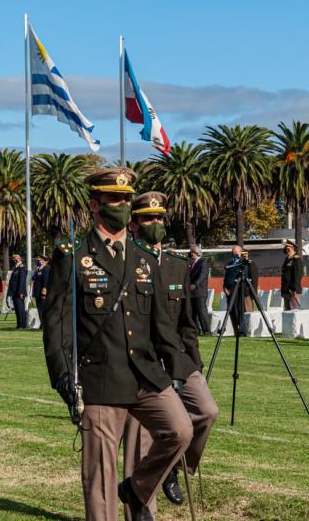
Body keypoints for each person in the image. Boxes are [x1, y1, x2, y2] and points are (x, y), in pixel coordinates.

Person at [43, 167, 192, 521]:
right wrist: (63, 374)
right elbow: (57, 322)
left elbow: (160, 322)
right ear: (95, 205)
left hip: (144, 373)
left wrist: (179, 368)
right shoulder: (74, 254)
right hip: (100, 376)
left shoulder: (143, 256)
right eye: (115, 198)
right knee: (101, 474)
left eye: (127, 198)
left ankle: (137, 488)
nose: (123, 204)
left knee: (180, 430)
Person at [122, 192, 218, 518]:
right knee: (141, 442)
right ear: (133, 224)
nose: (157, 223)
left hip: (177, 357)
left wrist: (194, 363)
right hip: (142, 361)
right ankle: (140, 508)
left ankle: (174, 466)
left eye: (160, 218)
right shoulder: (126, 260)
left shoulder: (178, 265)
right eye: (149, 218)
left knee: (206, 411)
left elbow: (187, 323)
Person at [223, 246, 246, 336]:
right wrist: (224, 287)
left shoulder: (242, 263)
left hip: (237, 290)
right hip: (228, 291)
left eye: (235, 252)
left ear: (240, 252)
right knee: (231, 311)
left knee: (238, 310)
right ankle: (236, 331)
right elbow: (226, 277)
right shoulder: (230, 263)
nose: (234, 253)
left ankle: (242, 331)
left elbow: (242, 277)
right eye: (233, 252)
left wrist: (233, 288)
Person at [188, 245, 210, 335]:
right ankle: (196, 330)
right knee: (192, 312)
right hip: (192, 292)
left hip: (199, 292)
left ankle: (207, 331)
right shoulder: (193, 263)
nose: (190, 254)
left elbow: (203, 275)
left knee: (202, 312)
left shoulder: (203, 262)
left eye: (191, 252)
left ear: (195, 253)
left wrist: (195, 284)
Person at [7, 253, 28, 329]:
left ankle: (22, 325)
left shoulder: (22, 268)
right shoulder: (16, 268)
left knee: (20, 309)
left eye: (15, 258)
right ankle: (19, 324)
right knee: (17, 309)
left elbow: (22, 281)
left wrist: (21, 292)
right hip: (15, 292)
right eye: (13, 258)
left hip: (19, 292)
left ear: (19, 259)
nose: (14, 260)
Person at [280, 240, 303, 310]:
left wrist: (294, 289)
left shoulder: (296, 259)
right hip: (286, 290)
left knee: (294, 311)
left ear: (292, 248)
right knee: (287, 313)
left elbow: (298, 275)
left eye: (288, 247)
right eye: (286, 247)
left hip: (293, 290)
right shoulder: (287, 259)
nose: (286, 249)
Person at [31, 255, 50, 329]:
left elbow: (46, 282)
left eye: (42, 260)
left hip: (42, 293)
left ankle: (44, 325)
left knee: (43, 309)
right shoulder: (39, 269)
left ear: (46, 261)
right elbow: (33, 278)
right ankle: (42, 324)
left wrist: (44, 293)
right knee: (40, 309)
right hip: (37, 292)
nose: (40, 262)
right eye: (40, 260)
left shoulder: (46, 269)